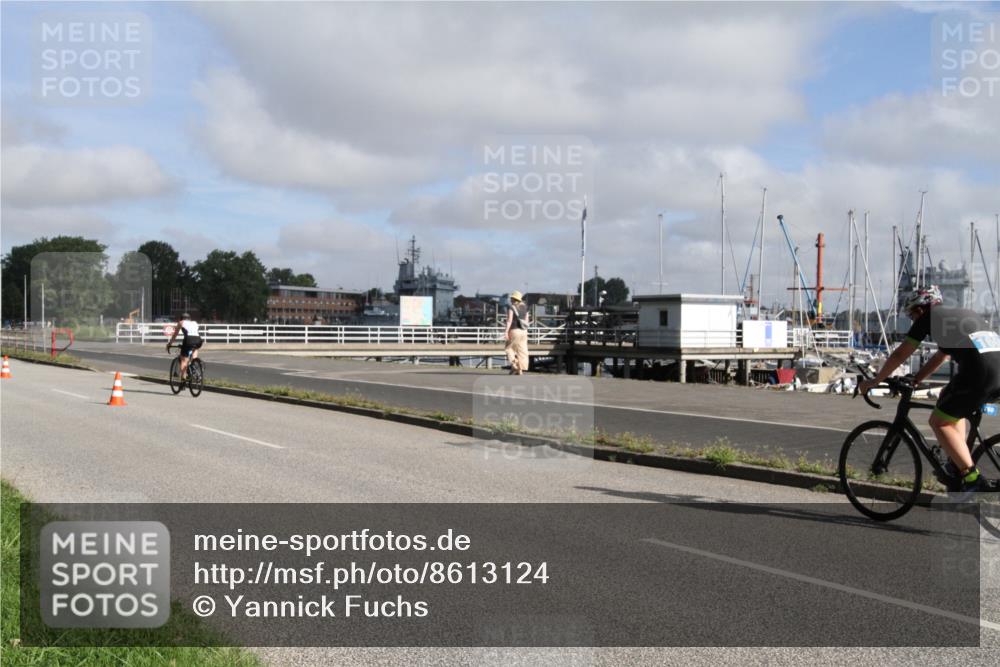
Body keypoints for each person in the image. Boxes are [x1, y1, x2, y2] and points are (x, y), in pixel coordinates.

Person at [859, 286, 1000, 492]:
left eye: (913, 313)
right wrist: (916, 379)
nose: (913, 319)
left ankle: (971, 478)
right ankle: (956, 462)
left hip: (979, 374)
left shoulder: (929, 317)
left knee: (938, 422)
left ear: (923, 307)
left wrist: (874, 381)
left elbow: (901, 354)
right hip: (995, 372)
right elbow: (940, 356)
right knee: (948, 400)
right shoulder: (956, 315)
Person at [166, 312, 203, 379]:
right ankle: (194, 363)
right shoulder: (195, 323)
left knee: (184, 361)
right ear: (190, 319)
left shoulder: (181, 322)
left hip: (188, 340)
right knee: (195, 348)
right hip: (198, 340)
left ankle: (183, 381)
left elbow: (175, 335)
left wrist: (170, 344)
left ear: (181, 319)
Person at [504, 291, 530, 375]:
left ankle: (514, 364)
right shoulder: (525, 307)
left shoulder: (512, 307)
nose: (511, 299)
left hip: (514, 330)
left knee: (509, 348)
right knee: (521, 350)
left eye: (511, 298)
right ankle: (520, 370)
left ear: (513, 299)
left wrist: (506, 332)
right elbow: (527, 321)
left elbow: (509, 321)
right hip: (524, 331)